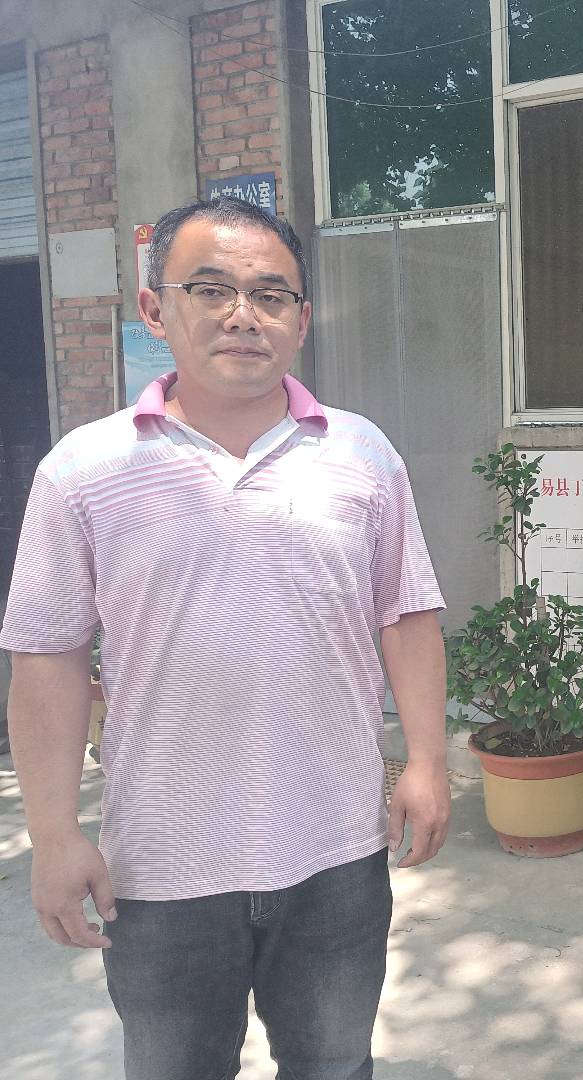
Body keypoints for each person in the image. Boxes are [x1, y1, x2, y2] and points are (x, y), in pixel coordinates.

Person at [1, 196, 451, 1080]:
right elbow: (47, 656)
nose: (244, 315)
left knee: (334, 1066)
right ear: (154, 308)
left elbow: (407, 614)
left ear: (302, 321)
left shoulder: (362, 454)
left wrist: (429, 763)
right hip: (161, 867)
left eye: (271, 295)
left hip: (335, 855)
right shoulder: (84, 470)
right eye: (210, 289)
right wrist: (54, 834)